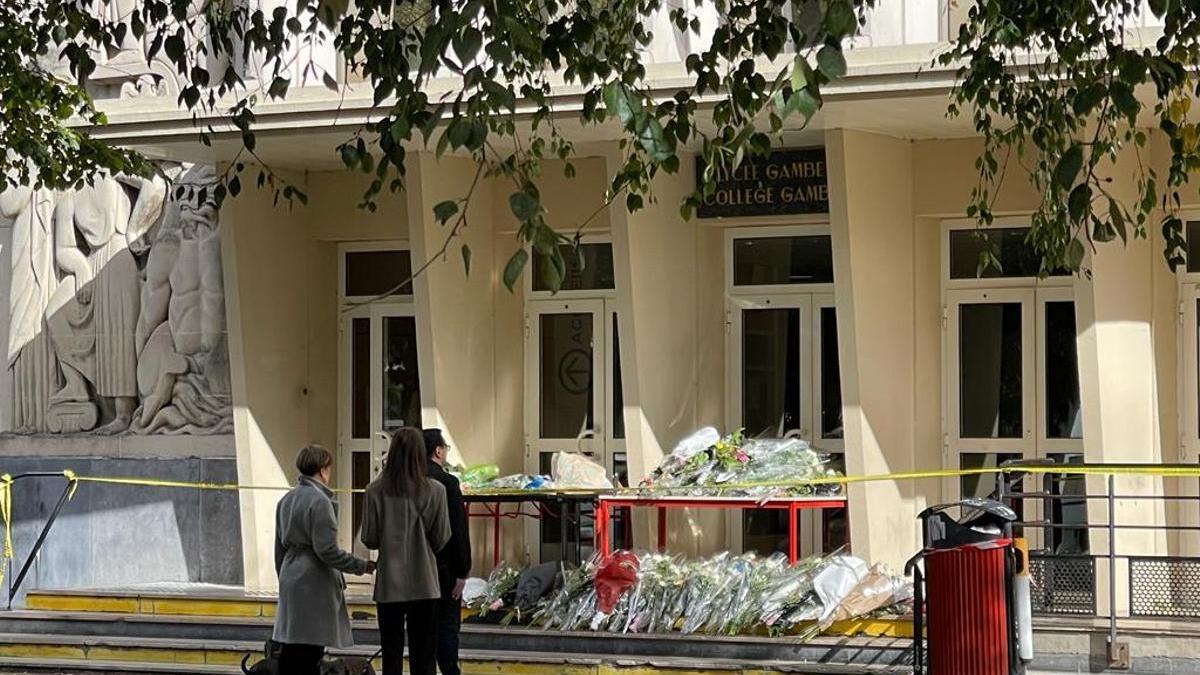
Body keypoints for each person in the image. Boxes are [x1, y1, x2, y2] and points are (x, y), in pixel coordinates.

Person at [273, 444, 375, 675]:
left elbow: (278, 549)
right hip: (314, 581)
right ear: (323, 470)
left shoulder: (286, 500)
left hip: (291, 574)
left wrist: (284, 577)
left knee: (292, 648)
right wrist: (362, 565)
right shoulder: (319, 502)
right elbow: (327, 550)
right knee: (310, 649)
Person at [363, 427, 451, 675]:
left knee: (391, 653)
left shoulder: (374, 491)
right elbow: (442, 536)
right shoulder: (436, 491)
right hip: (425, 582)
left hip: (389, 583)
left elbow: (369, 538)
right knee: (424, 656)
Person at [424, 428, 472, 675]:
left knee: (423, 629)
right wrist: (463, 570)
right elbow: (458, 530)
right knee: (447, 626)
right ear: (438, 450)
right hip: (444, 567)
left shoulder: (408, 481)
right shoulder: (447, 483)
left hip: (417, 569)